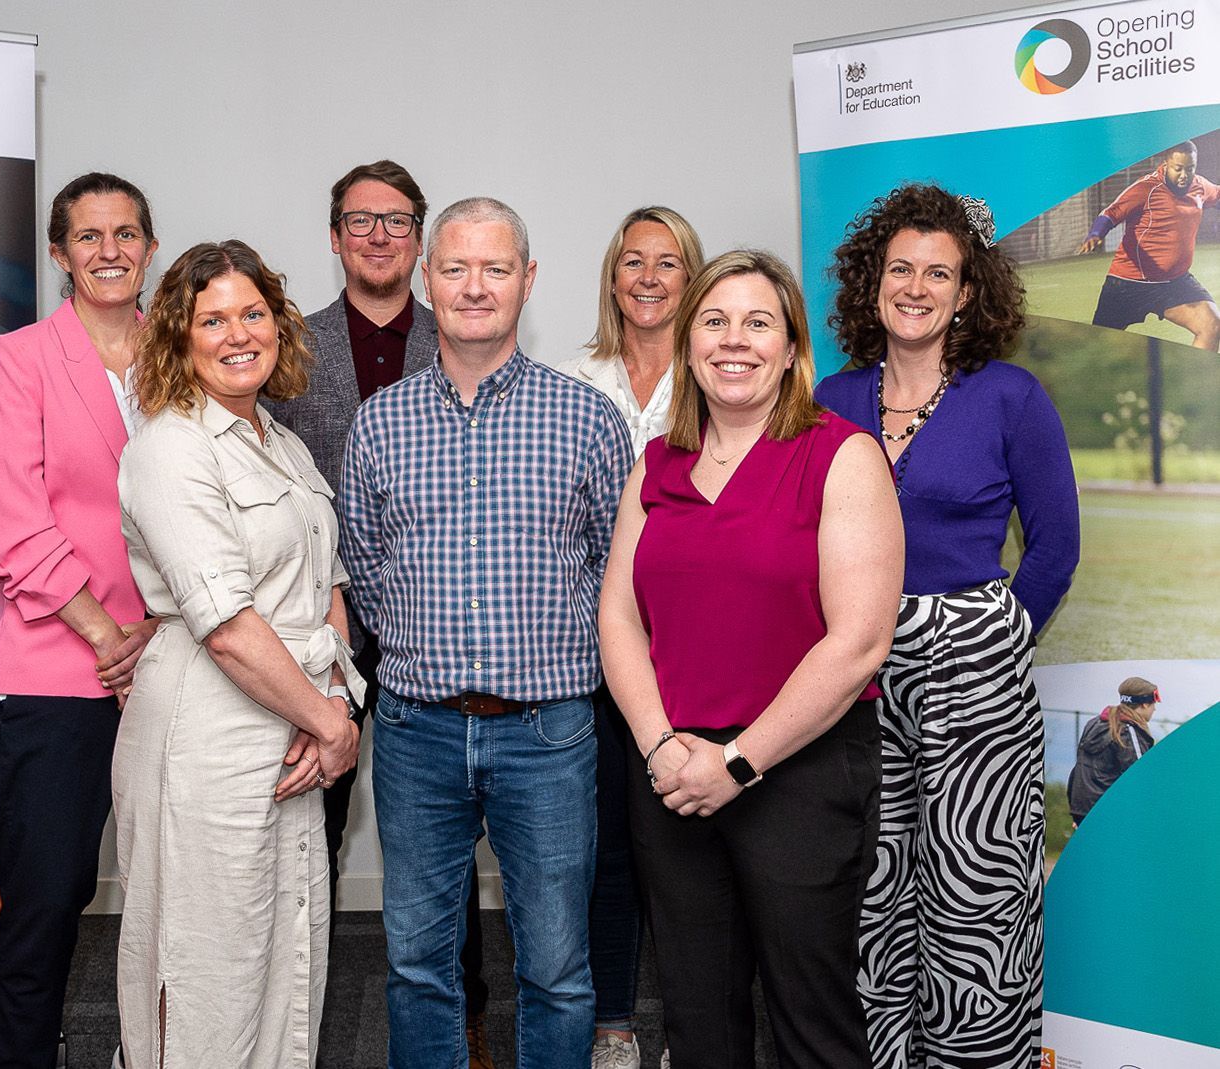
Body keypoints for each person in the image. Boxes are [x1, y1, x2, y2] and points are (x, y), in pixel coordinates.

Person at [339, 197, 633, 1069]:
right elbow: (365, 565)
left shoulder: (587, 420)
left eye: (496, 268)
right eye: (456, 267)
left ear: (528, 281)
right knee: (416, 964)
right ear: (428, 279)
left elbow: (616, 573)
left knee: (557, 968)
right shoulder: (379, 423)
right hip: (415, 730)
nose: (475, 287)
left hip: (549, 733)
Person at [599, 249, 901, 1068]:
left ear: (794, 347)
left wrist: (736, 763)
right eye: (716, 321)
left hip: (797, 772)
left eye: (758, 322)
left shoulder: (842, 456)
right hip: (673, 773)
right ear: (690, 341)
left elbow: (860, 640)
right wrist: (664, 747)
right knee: (697, 1023)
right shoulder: (656, 464)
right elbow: (619, 618)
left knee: (813, 1022)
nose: (736, 340)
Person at [818, 183, 1082, 1069]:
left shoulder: (1010, 396)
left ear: (968, 292)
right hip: (852, 673)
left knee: (977, 899)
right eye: (901, 268)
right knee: (871, 888)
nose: (918, 286)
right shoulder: (831, 397)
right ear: (873, 282)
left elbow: (1055, 548)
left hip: (976, 679)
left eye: (940, 272)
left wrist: (992, 635)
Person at [267, 160, 497, 1068]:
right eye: (358, 220)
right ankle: (298, 1019)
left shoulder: (465, 335)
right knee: (308, 832)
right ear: (333, 236)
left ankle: (468, 1016)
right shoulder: (287, 345)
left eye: (396, 220)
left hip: (429, 630)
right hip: (315, 627)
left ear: (422, 239)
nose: (376, 235)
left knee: (440, 843)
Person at [113, 239, 362, 1068]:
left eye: (252, 313)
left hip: (291, 722)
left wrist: (331, 703)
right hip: (208, 729)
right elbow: (223, 621)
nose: (237, 334)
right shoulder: (170, 447)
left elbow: (328, 584)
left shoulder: (282, 444)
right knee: (206, 966)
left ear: (279, 324)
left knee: (289, 949)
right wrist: (325, 721)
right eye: (211, 319)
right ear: (179, 336)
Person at [0, 172, 160, 1069]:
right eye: (89, 237)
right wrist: (105, 635)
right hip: (54, 670)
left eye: (127, 233)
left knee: (175, 901)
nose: (110, 250)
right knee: (48, 901)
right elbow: (12, 525)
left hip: (174, 664)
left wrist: (154, 636)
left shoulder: (184, 351)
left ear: (151, 247)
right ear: (59, 254)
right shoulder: (20, 358)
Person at [558, 205, 703, 1069]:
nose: (648, 278)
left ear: (693, 278)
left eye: (669, 263)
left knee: (695, 854)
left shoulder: (723, 372)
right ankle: (613, 1022)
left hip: (703, 655)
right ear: (613, 277)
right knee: (607, 846)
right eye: (633, 262)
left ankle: (696, 1028)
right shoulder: (571, 380)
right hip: (598, 656)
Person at [1077, 140, 1220, 351]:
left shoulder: (1199, 186)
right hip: (1128, 285)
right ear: (1165, 164)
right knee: (1098, 348)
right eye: (1178, 168)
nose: (1184, 175)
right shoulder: (1147, 188)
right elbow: (1111, 213)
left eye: (1189, 169)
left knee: (1212, 326)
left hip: (1175, 282)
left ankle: (1193, 382)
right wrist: (1096, 234)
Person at [1068, 677, 1159, 825]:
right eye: (1153, 704)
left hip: (1082, 809)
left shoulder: (1094, 723)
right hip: (1109, 812)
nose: (1154, 709)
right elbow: (1140, 777)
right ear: (1144, 704)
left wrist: (1080, 813)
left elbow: (1081, 769)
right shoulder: (1129, 731)